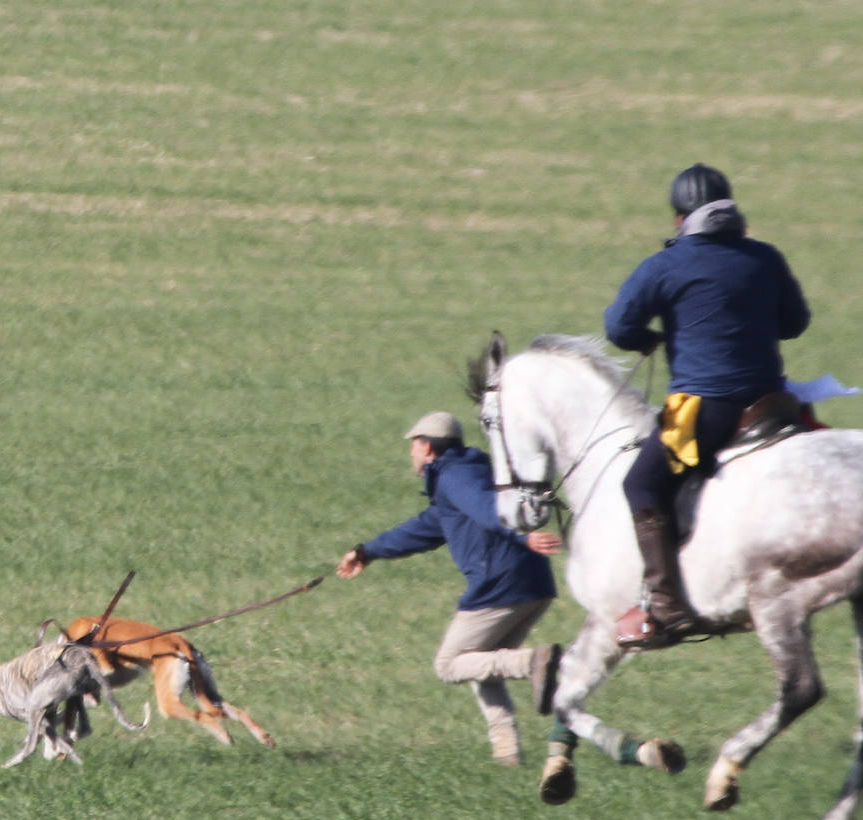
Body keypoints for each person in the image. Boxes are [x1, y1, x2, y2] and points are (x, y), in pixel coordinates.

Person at [603, 163, 811, 649]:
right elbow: (795, 322)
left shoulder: (666, 265)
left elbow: (618, 328)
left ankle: (666, 606)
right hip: (771, 404)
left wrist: (650, 336)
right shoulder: (765, 257)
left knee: (641, 481)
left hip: (698, 408)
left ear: (679, 219)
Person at [337, 411, 564, 766]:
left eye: (413, 446)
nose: (411, 454)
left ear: (426, 447)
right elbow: (425, 528)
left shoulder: (456, 477)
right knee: (481, 663)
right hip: (532, 581)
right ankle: (506, 753)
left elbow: (488, 508)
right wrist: (368, 551)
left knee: (449, 664)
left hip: (500, 582)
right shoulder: (460, 477)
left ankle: (532, 662)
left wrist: (520, 532)